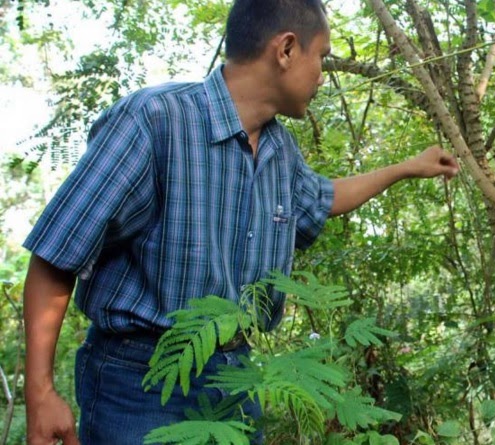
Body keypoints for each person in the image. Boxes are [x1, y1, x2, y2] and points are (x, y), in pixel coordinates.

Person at [22, 0, 459, 444]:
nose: (322, 76)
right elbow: (58, 252)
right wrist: (39, 393)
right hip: (140, 382)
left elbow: (320, 198)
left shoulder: (279, 151)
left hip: (236, 381)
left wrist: (407, 167)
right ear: (286, 49)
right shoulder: (154, 121)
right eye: (321, 57)